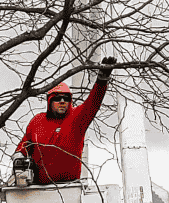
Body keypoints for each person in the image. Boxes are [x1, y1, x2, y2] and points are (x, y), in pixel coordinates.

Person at [13, 57, 116, 185]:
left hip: (70, 187)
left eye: (66, 98)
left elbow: (93, 103)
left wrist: (102, 80)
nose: (62, 101)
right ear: (50, 101)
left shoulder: (77, 118)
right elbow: (24, 146)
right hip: (38, 189)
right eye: (57, 98)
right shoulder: (37, 121)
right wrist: (18, 159)